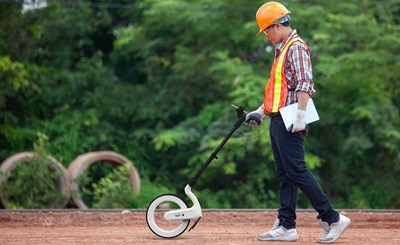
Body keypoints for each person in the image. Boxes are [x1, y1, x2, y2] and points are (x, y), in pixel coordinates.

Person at [245, 1, 351, 243]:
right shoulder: (281, 50)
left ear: (277, 25)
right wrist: (261, 111)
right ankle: (286, 225)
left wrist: (301, 115)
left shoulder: (296, 48)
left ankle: (333, 218)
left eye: (267, 30)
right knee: (285, 174)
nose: (267, 36)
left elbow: (305, 84)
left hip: (292, 118)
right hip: (278, 118)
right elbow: (280, 89)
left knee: (296, 170)